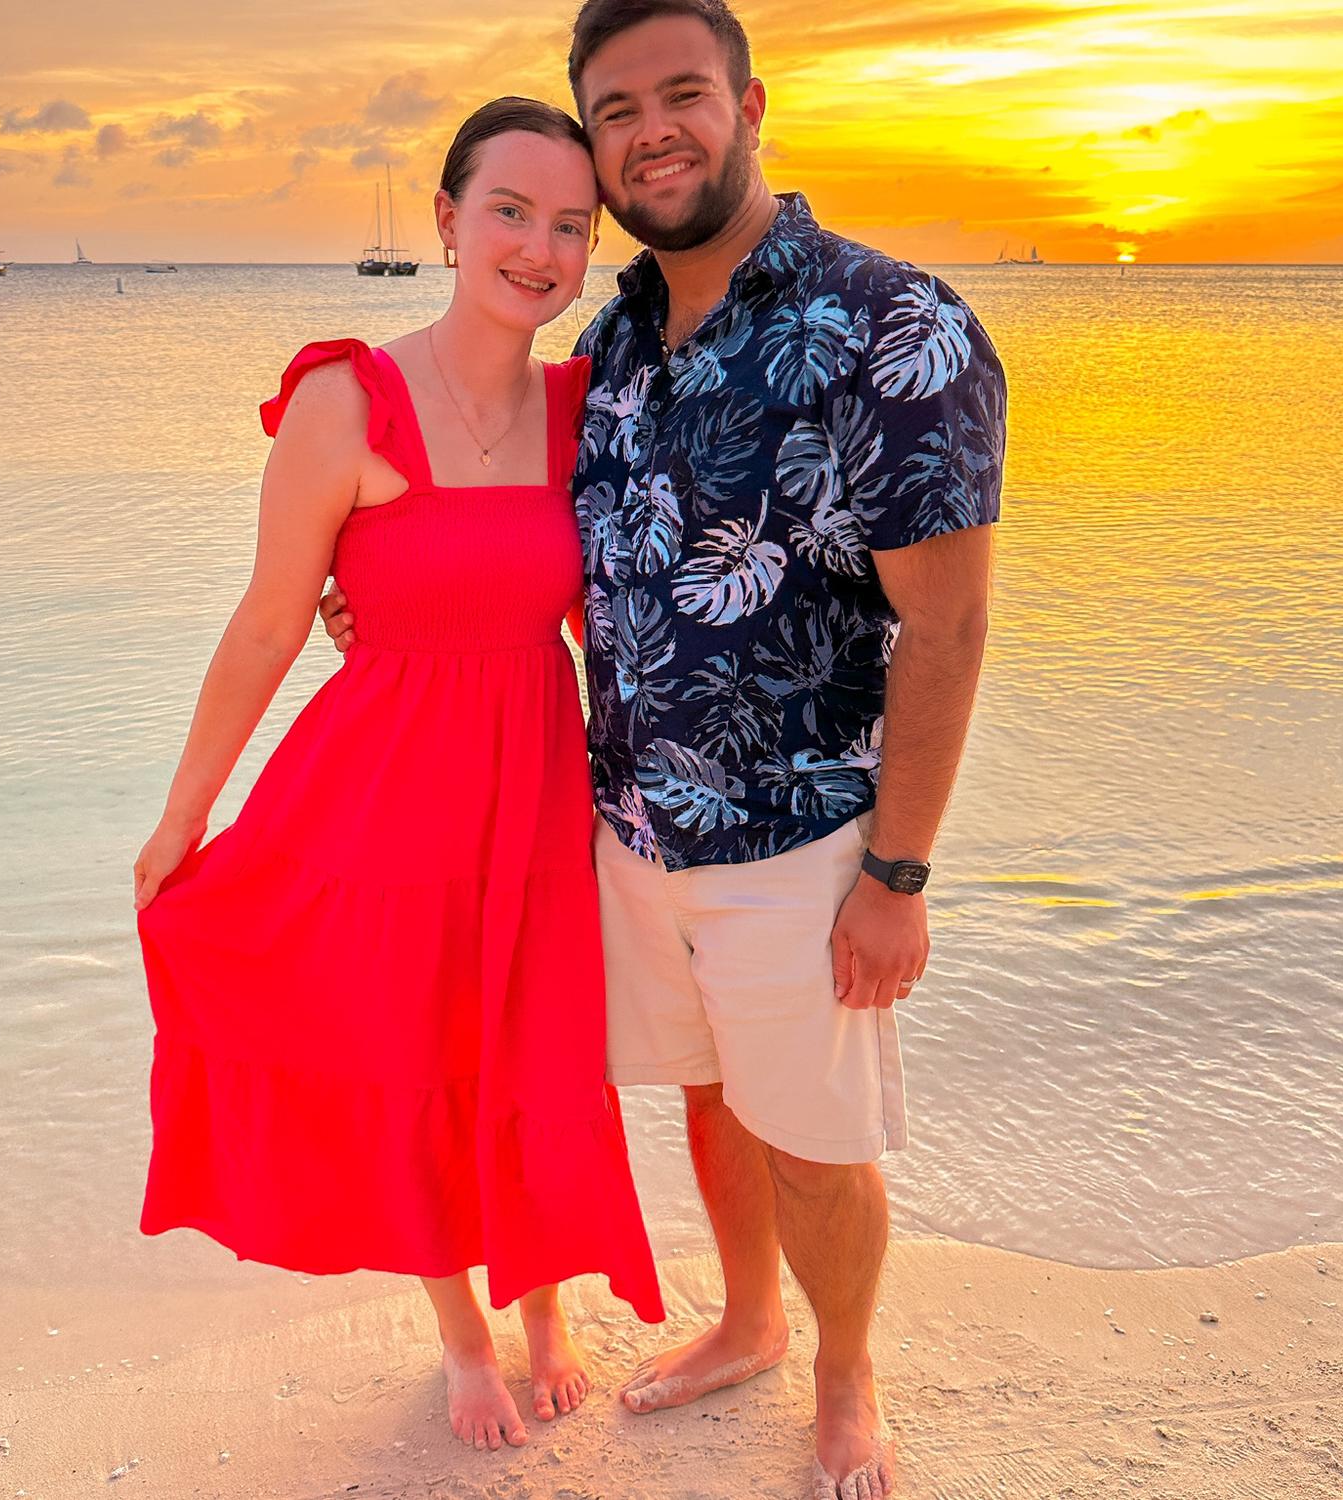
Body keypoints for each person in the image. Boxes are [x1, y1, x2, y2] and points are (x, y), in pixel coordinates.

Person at [327, 7, 1005, 1497]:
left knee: (817, 1140)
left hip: (805, 839)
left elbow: (947, 636)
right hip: (627, 830)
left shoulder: (896, 329)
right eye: (617, 108)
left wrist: (898, 872)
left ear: (751, 102)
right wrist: (370, 591)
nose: (653, 131)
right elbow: (512, 534)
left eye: (682, 94)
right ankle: (750, 1322)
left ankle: (846, 1375)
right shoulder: (614, 338)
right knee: (711, 1095)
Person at [132, 96, 664, 1455]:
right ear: (444, 220)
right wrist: (185, 815)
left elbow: (606, 610)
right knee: (420, 1049)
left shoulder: (583, 401)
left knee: (540, 1046)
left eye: (568, 225)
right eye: (509, 211)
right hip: (388, 791)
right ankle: (465, 1336)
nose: (539, 249)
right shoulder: (344, 398)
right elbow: (269, 617)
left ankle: (545, 1302)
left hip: (538, 783)